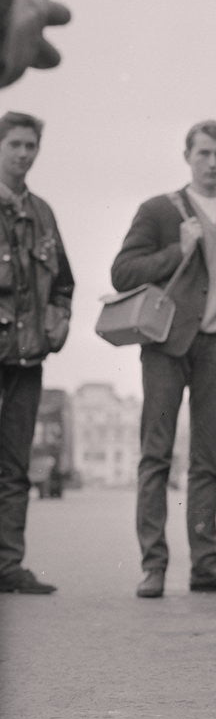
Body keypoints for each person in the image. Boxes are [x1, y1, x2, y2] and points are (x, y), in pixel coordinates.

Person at [111, 120, 216, 598]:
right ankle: (153, 565)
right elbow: (122, 272)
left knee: (208, 458)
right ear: (187, 156)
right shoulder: (158, 209)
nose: (212, 163)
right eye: (203, 154)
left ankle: (205, 564)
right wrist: (179, 250)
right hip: (166, 345)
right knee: (156, 454)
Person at [0, 111, 72, 593]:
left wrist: (58, 321)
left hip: (27, 359)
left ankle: (8, 566)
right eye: (15, 144)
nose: (24, 154)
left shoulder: (43, 212)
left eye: (31, 146)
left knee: (15, 467)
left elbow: (63, 282)